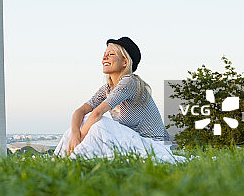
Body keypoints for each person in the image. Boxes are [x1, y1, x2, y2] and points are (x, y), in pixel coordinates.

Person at [53, 36, 185, 163]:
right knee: (82, 123)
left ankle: (70, 159)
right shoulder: (107, 89)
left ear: (125, 62)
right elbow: (80, 111)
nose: (104, 57)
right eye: (105, 53)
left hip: (154, 146)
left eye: (111, 54)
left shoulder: (130, 82)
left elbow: (97, 114)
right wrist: (75, 134)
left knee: (99, 124)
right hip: (134, 142)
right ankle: (57, 161)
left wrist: (78, 141)